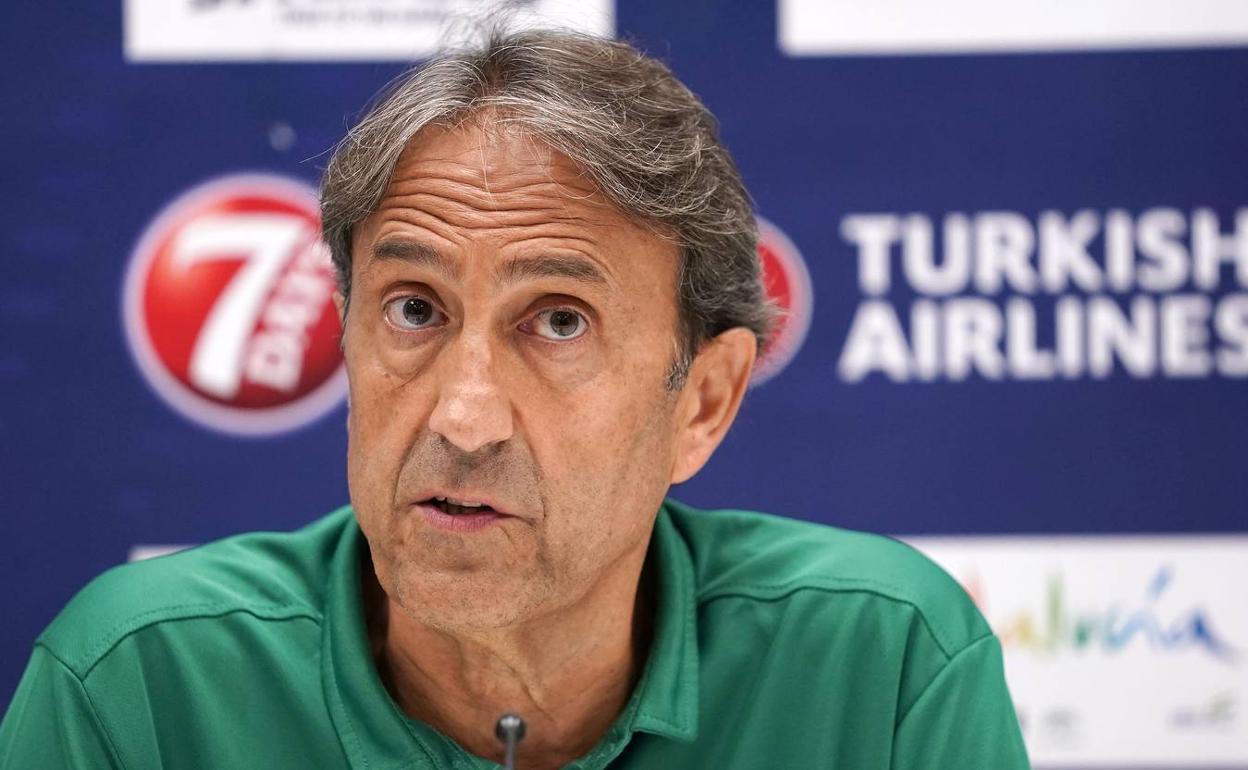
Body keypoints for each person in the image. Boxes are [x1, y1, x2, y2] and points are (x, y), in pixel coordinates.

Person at [0, 27, 1030, 770]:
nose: (464, 417)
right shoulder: (140, 683)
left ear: (703, 403)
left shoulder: (884, 665)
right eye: (414, 308)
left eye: (560, 320)